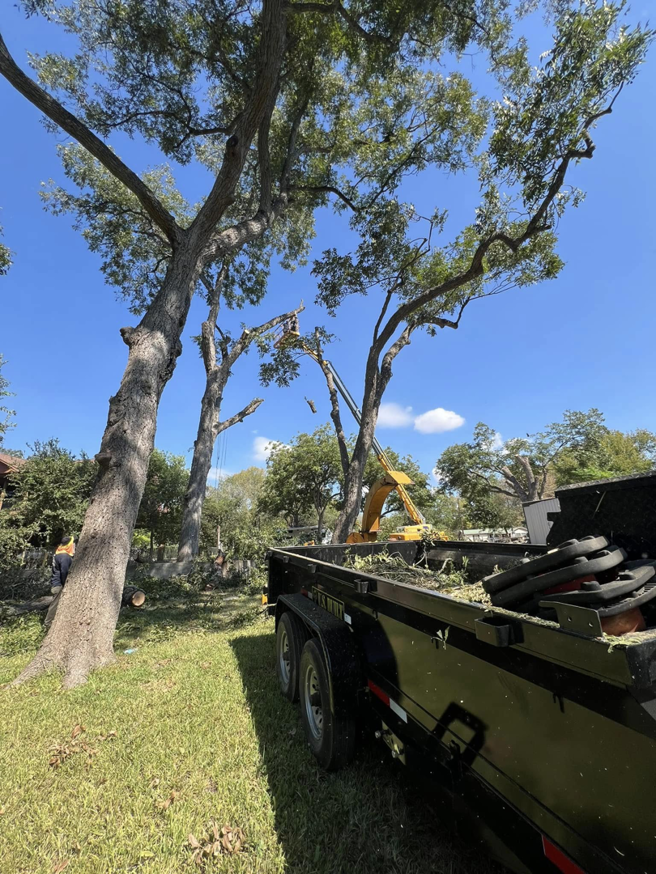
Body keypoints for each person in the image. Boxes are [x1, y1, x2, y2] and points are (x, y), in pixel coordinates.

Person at [44, 535, 75, 630]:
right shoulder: (64, 556)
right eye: (73, 544)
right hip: (60, 584)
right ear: (69, 545)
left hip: (56, 583)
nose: (74, 546)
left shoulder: (59, 553)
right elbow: (64, 571)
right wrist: (66, 584)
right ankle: (47, 624)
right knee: (55, 604)